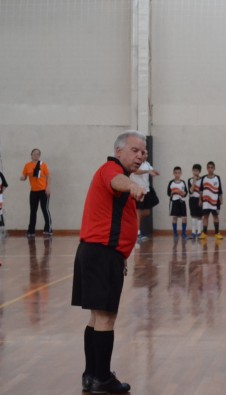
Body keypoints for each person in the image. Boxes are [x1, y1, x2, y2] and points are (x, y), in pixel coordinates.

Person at [71, 131, 146, 393]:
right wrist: (133, 185)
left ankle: (91, 375)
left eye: (143, 152)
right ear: (119, 151)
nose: (140, 156)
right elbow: (117, 182)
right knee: (106, 317)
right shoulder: (110, 169)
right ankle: (102, 378)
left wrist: (121, 254)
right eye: (135, 150)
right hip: (101, 254)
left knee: (96, 317)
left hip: (98, 254)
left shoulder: (116, 171)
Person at [20, 148, 51, 238]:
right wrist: (22, 177)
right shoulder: (27, 165)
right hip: (33, 191)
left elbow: (49, 176)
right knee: (33, 211)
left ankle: (48, 229)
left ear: (39, 156)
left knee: (44, 209)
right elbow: (24, 176)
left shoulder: (43, 165)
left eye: (38, 154)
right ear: (31, 155)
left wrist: (48, 187)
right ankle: (31, 231)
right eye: (34, 154)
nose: (36, 155)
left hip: (43, 190)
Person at [130, 151, 159, 240]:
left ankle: (134, 221)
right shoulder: (135, 163)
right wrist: (148, 171)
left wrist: (155, 172)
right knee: (138, 212)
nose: (146, 155)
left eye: (147, 153)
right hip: (137, 191)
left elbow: (151, 170)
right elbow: (136, 171)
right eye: (144, 154)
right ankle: (137, 234)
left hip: (146, 190)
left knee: (146, 212)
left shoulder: (147, 164)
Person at [198, 161, 223, 239]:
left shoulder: (217, 178)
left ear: (214, 168)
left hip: (215, 202)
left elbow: (220, 190)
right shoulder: (204, 178)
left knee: (216, 217)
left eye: (212, 167)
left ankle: (217, 233)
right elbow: (201, 190)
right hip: (206, 202)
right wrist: (200, 200)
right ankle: (204, 233)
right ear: (206, 168)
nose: (210, 169)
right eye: (208, 167)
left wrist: (221, 199)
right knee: (205, 217)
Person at [166, 166, 188, 239]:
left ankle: (184, 233)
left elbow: (186, 193)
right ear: (173, 173)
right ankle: (175, 233)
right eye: (176, 173)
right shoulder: (171, 183)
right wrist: (174, 191)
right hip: (174, 202)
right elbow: (168, 193)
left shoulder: (183, 182)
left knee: (184, 218)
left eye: (179, 173)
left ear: (181, 173)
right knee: (174, 218)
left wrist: (183, 193)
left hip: (182, 202)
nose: (177, 174)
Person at [187, 164, 203, 240]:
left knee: (199, 216)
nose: (195, 172)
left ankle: (199, 233)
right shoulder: (190, 180)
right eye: (194, 170)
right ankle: (193, 233)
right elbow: (191, 191)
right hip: (192, 199)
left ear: (199, 171)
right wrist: (194, 181)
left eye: (197, 170)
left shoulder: (202, 180)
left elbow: (202, 191)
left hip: (199, 199)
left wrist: (200, 200)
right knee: (193, 216)